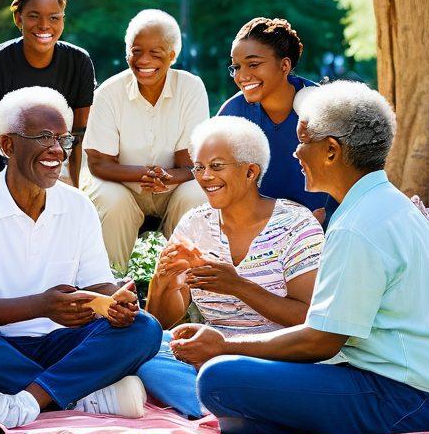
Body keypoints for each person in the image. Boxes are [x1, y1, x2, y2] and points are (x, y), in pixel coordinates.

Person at [172, 82, 429, 434]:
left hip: (406, 397)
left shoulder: (359, 225)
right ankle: (255, 418)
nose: (296, 153)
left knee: (219, 378)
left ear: (331, 151)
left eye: (303, 141)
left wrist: (223, 345)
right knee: (237, 388)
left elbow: (321, 342)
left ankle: (254, 417)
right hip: (420, 389)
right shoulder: (385, 205)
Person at [0, 88, 163, 428]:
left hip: (64, 346)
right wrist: (43, 306)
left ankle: (25, 401)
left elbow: (96, 283)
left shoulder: (78, 205)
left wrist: (116, 299)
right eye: (43, 137)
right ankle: (84, 397)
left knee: (144, 328)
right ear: (8, 145)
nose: (56, 150)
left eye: (63, 140)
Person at [136, 117, 323, 418]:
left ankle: (218, 404)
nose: (205, 176)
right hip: (210, 354)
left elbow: (310, 319)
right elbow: (161, 319)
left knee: (226, 374)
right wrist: (165, 280)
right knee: (144, 347)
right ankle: (229, 408)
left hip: (277, 356)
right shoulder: (195, 224)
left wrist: (236, 285)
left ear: (251, 171)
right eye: (199, 167)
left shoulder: (296, 225)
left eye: (217, 166)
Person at [82, 9, 209, 271]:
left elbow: (191, 165)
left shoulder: (191, 87)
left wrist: (164, 177)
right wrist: (143, 174)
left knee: (195, 195)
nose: (144, 60)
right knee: (111, 201)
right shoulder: (108, 93)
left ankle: (188, 288)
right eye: (136, 51)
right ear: (127, 52)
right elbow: (99, 164)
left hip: (175, 185)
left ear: (172, 55)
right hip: (122, 185)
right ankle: (109, 285)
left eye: (156, 52)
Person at [0, 0, 96, 188]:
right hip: (3, 174)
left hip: (55, 170)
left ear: (62, 19)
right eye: (33, 16)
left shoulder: (79, 63)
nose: (44, 25)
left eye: (54, 17)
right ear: (18, 18)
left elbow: (77, 139)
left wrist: (74, 194)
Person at [218, 17, 330, 220]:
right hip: (258, 228)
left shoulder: (322, 106)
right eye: (236, 67)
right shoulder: (232, 114)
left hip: (322, 225)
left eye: (253, 64)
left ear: (284, 66)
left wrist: (327, 216)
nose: (241, 76)